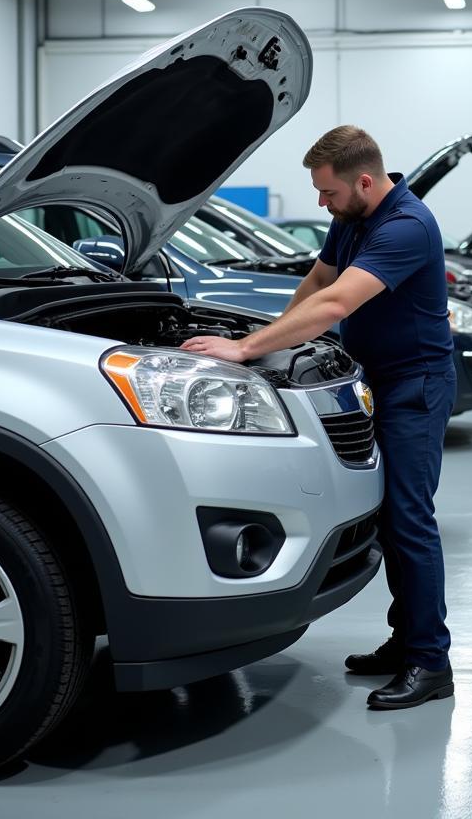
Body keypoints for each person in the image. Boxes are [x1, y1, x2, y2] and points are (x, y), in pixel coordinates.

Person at [181, 125, 457, 710]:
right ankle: (405, 639)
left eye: (327, 193)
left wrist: (245, 349)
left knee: (411, 521)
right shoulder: (351, 216)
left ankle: (431, 661)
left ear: (364, 180)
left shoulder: (406, 226)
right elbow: (318, 280)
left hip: (417, 387)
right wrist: (272, 341)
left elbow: (337, 303)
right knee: (387, 521)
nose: (320, 203)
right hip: (374, 384)